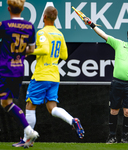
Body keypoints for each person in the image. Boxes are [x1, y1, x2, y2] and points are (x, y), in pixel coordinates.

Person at [12, 6, 84, 147]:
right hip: (54, 77)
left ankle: (27, 139)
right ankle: (73, 120)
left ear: (44, 17)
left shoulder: (42, 33)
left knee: (30, 106)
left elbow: (44, 49)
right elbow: (64, 55)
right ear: (55, 18)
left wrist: (25, 51)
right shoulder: (59, 34)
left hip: (41, 75)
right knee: (52, 108)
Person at [83, 18, 128, 143]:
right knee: (114, 110)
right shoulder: (119, 44)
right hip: (117, 83)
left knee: (127, 112)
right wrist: (91, 24)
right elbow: (103, 34)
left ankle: (124, 137)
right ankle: (112, 136)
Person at [0, 0, 39, 148]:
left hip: (4, 68)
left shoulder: (4, 25)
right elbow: (31, 49)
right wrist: (19, 53)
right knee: (6, 103)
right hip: (18, 70)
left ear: (9, 8)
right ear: (22, 9)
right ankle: (29, 130)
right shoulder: (30, 26)